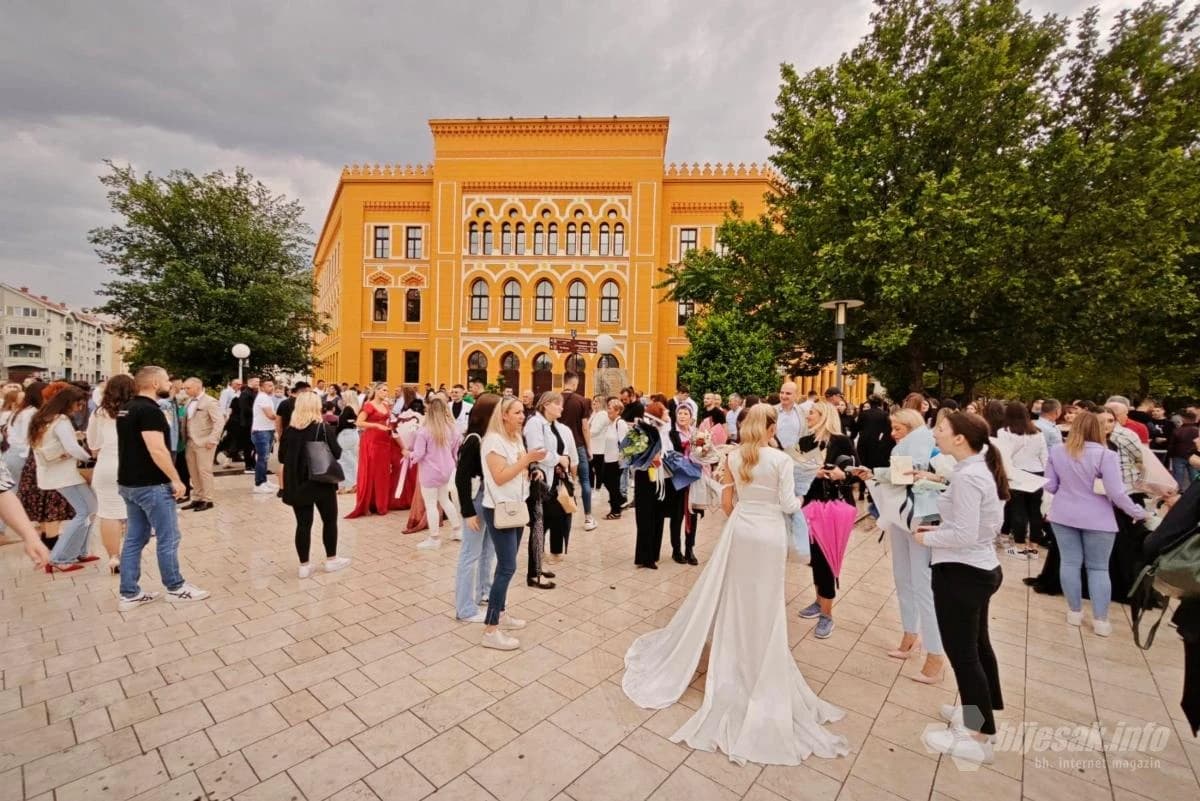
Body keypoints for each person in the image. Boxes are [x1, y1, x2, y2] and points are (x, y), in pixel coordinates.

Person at [622, 404, 850, 766]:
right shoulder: (780, 461)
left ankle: (732, 657)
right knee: (765, 600)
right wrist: (801, 499)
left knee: (735, 597)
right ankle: (759, 657)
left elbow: (728, 503)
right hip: (769, 534)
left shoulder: (733, 457)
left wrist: (746, 515)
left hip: (742, 530)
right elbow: (790, 503)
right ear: (772, 426)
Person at [915, 412, 1007, 764]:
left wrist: (926, 536)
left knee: (964, 653)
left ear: (959, 438)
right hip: (975, 567)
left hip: (963, 571)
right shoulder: (972, 470)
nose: (934, 433)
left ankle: (978, 733)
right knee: (977, 647)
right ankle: (979, 712)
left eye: (940, 429)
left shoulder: (970, 477)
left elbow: (965, 533)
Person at [854, 408, 946, 683]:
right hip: (899, 515)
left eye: (898, 429)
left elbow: (911, 477)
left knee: (922, 585)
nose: (892, 434)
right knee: (903, 578)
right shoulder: (909, 446)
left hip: (922, 518)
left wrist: (878, 474)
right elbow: (897, 480)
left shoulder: (926, 445)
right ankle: (910, 634)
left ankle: (935, 653)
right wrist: (873, 477)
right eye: (892, 429)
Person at [1044, 411, 1147, 637]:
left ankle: (1074, 612)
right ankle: (1100, 620)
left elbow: (1050, 486)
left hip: (1063, 514)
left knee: (1070, 563)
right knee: (1098, 568)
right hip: (1098, 517)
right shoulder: (1105, 455)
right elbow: (1117, 493)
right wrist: (1138, 512)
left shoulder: (1057, 451)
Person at [116, 366, 209, 610]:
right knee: (169, 537)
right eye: (167, 379)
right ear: (155, 383)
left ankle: (129, 592)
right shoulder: (150, 411)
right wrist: (176, 479)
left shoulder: (127, 408)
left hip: (129, 483)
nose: (171, 383)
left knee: (135, 538)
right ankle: (175, 587)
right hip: (151, 484)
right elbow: (156, 449)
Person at [479, 396, 545, 650]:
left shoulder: (516, 438)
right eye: (517, 412)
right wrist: (525, 461)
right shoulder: (493, 441)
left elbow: (517, 472)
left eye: (522, 412)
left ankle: (502, 612)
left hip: (516, 507)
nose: (522, 416)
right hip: (499, 509)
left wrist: (531, 470)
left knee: (505, 567)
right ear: (504, 415)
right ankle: (491, 629)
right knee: (507, 567)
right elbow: (499, 476)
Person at [796, 401, 855, 639]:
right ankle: (819, 601)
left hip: (834, 506)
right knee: (815, 558)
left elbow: (856, 471)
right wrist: (811, 472)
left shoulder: (841, 441)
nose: (808, 415)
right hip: (810, 505)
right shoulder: (806, 442)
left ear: (823, 415)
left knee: (826, 558)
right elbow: (798, 472)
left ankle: (827, 615)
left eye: (812, 412)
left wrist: (842, 475)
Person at [280, 391, 351, 578]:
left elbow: (281, 457)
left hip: (297, 483)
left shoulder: (289, 431)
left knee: (302, 524)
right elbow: (336, 453)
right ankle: (331, 559)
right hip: (321, 482)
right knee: (329, 521)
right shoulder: (323, 429)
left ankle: (304, 565)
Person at [29, 384, 98, 572]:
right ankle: (59, 557)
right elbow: (72, 448)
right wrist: (90, 458)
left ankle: (78, 552)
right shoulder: (61, 421)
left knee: (89, 510)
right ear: (69, 403)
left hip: (54, 473)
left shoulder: (43, 418)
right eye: (79, 404)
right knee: (86, 510)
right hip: (66, 475)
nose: (80, 409)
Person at [453, 394, 500, 623]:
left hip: (488, 499)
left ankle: (485, 591)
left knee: (488, 550)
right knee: (470, 554)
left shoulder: (489, 437)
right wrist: (467, 511)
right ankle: (464, 608)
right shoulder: (474, 440)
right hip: (475, 499)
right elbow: (462, 478)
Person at [524, 391, 575, 580]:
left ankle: (538, 565)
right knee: (538, 527)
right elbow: (537, 452)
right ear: (546, 405)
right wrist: (559, 459)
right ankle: (533, 573)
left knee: (544, 524)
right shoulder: (535, 424)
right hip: (540, 482)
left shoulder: (551, 425)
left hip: (551, 481)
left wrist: (563, 462)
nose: (562, 407)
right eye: (558, 404)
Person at [87, 375, 134, 573]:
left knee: (108, 514)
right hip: (131, 465)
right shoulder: (136, 411)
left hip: (106, 466)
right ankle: (130, 556)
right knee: (133, 513)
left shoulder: (99, 413)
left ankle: (114, 558)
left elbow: (93, 445)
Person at [996, 402, 1048, 558]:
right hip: (1036, 472)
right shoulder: (1037, 432)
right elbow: (1044, 455)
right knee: (1035, 510)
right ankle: (1033, 547)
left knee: (1018, 509)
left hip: (1016, 473)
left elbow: (1004, 455)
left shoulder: (1004, 432)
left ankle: (1018, 546)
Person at [410, 397, 463, 550]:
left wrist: (409, 455)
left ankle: (434, 538)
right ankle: (457, 530)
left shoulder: (424, 431)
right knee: (445, 500)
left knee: (431, 504)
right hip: (446, 470)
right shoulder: (452, 429)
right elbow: (454, 451)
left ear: (429, 411)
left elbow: (418, 454)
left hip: (430, 472)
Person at [347, 385, 405, 518]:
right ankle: (366, 505)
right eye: (383, 390)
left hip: (384, 441)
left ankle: (380, 504)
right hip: (371, 441)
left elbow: (390, 421)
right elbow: (359, 422)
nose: (386, 392)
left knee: (382, 472)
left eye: (387, 390)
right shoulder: (369, 405)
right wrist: (376, 425)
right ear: (376, 391)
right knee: (370, 472)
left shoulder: (386, 406)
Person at [181, 378, 222, 512]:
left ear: (197, 387)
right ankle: (197, 497)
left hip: (205, 442)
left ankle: (208, 499)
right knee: (193, 471)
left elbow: (219, 422)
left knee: (204, 471)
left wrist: (212, 439)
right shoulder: (188, 401)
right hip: (190, 441)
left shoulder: (210, 402)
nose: (185, 391)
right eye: (184, 388)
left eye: (188, 388)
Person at [559, 373, 595, 531]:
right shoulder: (581, 400)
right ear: (575, 383)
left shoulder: (555, 399)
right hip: (579, 445)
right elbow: (585, 427)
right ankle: (588, 518)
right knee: (585, 481)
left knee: (562, 480)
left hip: (560, 447)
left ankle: (563, 513)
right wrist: (589, 448)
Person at [590, 397, 628, 519]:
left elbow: (624, 443)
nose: (608, 411)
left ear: (617, 411)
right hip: (609, 459)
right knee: (609, 482)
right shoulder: (611, 423)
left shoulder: (620, 423)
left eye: (610, 408)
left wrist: (621, 461)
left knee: (612, 484)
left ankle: (616, 509)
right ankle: (620, 501)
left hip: (616, 460)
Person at [250, 378, 278, 493]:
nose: (272, 387)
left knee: (265, 458)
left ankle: (264, 481)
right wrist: (282, 417)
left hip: (267, 430)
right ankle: (259, 484)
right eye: (269, 386)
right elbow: (270, 415)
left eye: (272, 385)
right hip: (261, 431)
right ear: (262, 387)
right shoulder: (262, 397)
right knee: (262, 458)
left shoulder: (266, 398)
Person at [335, 389, 360, 494]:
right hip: (354, 434)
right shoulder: (356, 408)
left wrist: (335, 434)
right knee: (352, 460)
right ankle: (354, 483)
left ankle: (344, 485)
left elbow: (341, 424)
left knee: (343, 460)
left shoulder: (347, 409)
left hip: (345, 435)